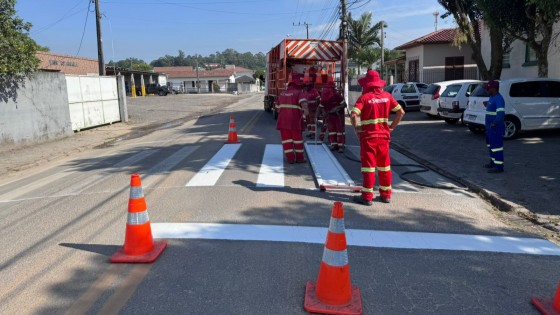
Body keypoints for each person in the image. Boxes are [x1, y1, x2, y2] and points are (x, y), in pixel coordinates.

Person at [350, 70, 405, 205]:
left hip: (368, 138)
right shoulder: (387, 96)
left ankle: (367, 197)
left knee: (368, 168)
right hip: (384, 137)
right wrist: (391, 127)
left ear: (367, 85)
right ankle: (386, 195)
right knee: (384, 166)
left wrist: (356, 129)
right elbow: (401, 112)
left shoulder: (364, 98)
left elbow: (353, 115)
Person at [276, 74, 308, 164]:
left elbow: (277, 107)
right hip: (295, 122)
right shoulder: (299, 93)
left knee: (287, 141)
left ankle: (290, 159)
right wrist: (306, 114)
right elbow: (304, 105)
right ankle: (300, 158)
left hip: (283, 122)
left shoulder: (282, 94)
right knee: (297, 140)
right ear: (298, 85)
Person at [318, 81, 347, 152]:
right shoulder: (324, 97)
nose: (327, 90)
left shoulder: (337, 96)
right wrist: (322, 113)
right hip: (330, 116)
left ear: (332, 89)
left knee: (339, 131)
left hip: (338, 116)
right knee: (332, 130)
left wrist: (336, 108)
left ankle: (341, 146)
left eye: (329, 88)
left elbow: (344, 105)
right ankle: (334, 144)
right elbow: (321, 106)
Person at [483, 80, 505, 173]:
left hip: (495, 128)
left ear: (493, 89)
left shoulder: (499, 98)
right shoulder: (492, 97)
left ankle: (499, 167)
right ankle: (492, 163)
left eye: (488, 88)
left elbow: (500, 114)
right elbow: (492, 110)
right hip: (489, 128)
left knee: (497, 147)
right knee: (491, 146)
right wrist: (487, 105)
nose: (487, 90)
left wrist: (494, 123)